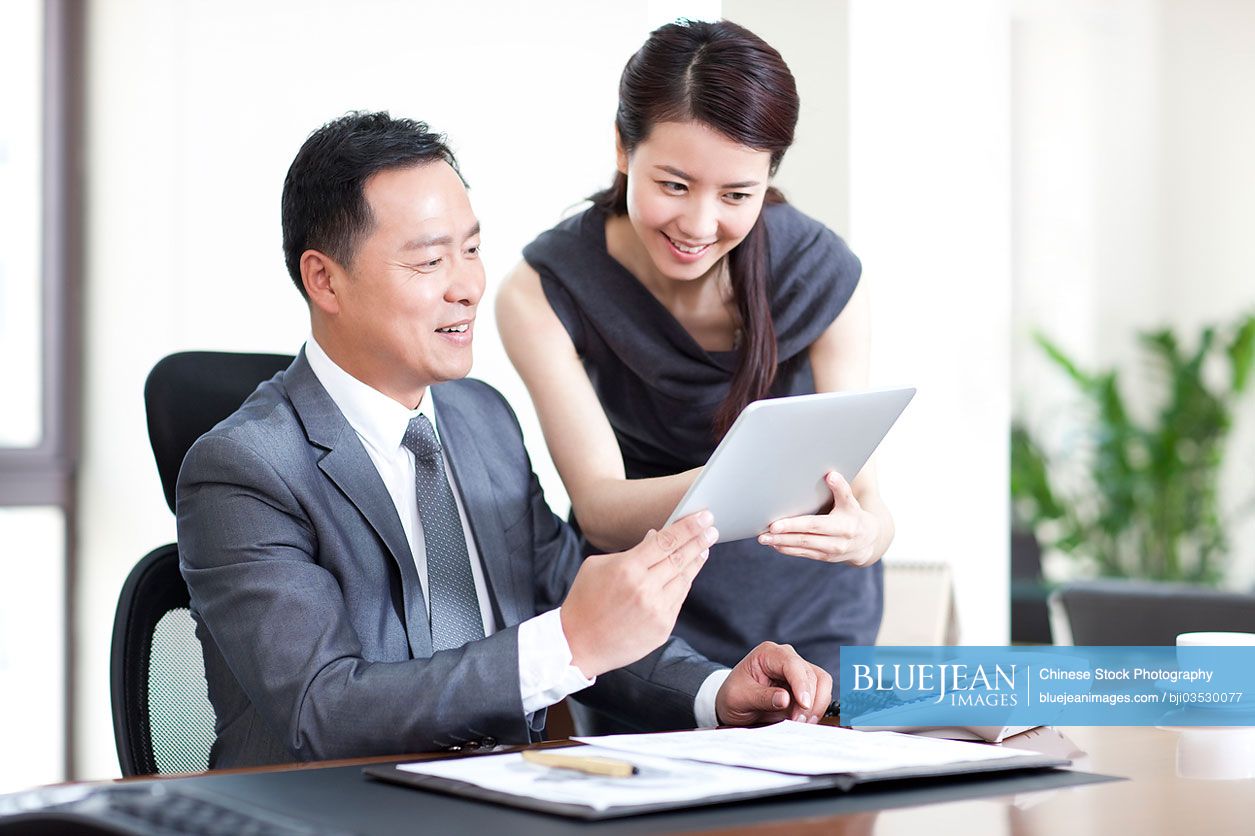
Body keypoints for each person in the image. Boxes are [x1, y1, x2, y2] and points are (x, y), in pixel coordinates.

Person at [175, 112, 831, 769]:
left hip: (512, 798)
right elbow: (323, 712)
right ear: (325, 280)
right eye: (430, 261)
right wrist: (569, 642)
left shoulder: (480, 418)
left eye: (471, 249)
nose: (467, 287)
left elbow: (580, 612)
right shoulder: (243, 470)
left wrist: (716, 691)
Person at [497, 20, 895, 695]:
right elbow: (597, 507)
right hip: (644, 629)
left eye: (737, 195)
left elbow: (865, 497)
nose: (699, 224)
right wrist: (747, 480)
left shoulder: (820, 274)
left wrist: (867, 535)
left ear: (768, 179)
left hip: (814, 619)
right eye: (674, 185)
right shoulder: (542, 290)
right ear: (622, 148)